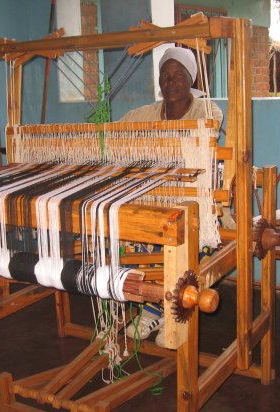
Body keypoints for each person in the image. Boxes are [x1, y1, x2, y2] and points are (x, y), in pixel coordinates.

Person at [121, 47, 224, 346]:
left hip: (197, 202)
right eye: (165, 75)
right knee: (136, 234)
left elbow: (202, 143)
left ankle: (161, 310)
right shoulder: (141, 116)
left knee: (188, 236)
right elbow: (111, 138)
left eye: (179, 74)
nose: (171, 81)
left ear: (190, 79)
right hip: (154, 200)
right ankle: (157, 308)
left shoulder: (208, 112)